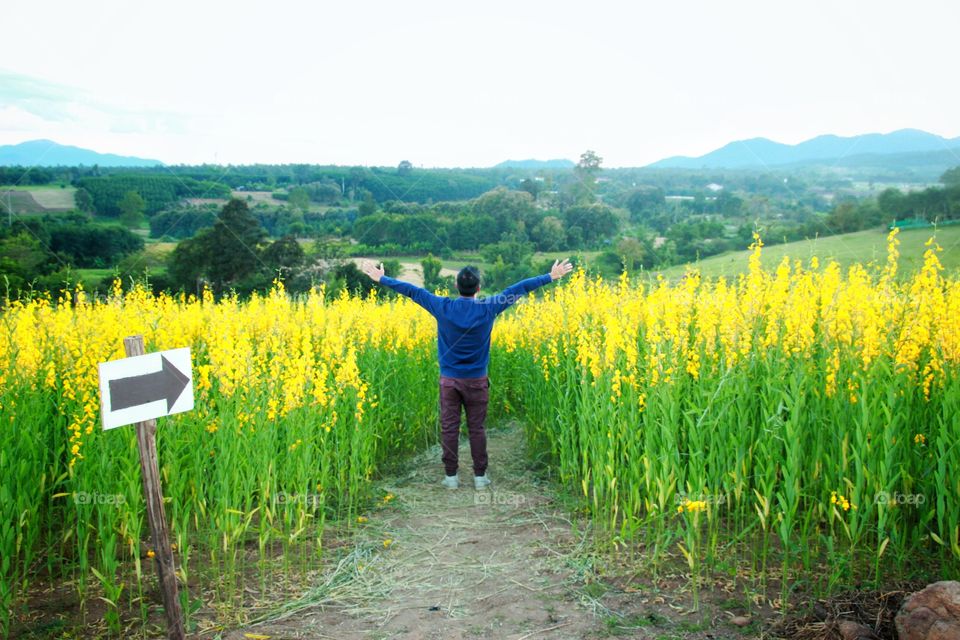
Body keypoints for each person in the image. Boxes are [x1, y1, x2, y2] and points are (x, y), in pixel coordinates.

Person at [361, 259, 573, 489]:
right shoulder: (488, 307)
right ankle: (480, 477)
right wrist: (550, 276)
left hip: (449, 381)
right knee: (477, 428)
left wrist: (381, 278)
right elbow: (518, 288)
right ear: (479, 288)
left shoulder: (442, 307)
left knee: (449, 427)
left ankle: (451, 477)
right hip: (476, 381)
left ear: (455, 285)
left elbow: (413, 291)